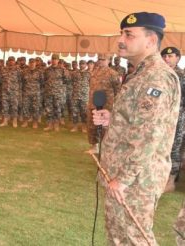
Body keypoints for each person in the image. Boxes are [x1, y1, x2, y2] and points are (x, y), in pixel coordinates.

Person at [92, 12, 180, 245]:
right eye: (122, 33)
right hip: (123, 174)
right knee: (118, 236)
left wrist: (124, 179)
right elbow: (138, 121)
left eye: (129, 35)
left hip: (136, 179)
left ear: (150, 41)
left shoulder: (156, 78)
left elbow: (149, 135)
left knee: (134, 238)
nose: (121, 39)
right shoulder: (139, 74)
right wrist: (113, 118)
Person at [160, 47, 185, 193]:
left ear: (177, 58)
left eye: (170, 56)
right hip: (161, 117)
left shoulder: (181, 75)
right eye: (164, 56)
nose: (166, 59)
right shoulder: (161, 74)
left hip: (177, 118)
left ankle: (171, 180)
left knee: (174, 148)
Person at [86, 54, 121, 154]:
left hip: (105, 105)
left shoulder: (113, 73)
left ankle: (106, 148)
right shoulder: (94, 72)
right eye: (99, 59)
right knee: (92, 126)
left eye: (103, 59)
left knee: (104, 128)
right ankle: (94, 146)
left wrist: (115, 105)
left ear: (109, 60)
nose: (100, 61)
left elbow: (118, 90)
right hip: (92, 103)